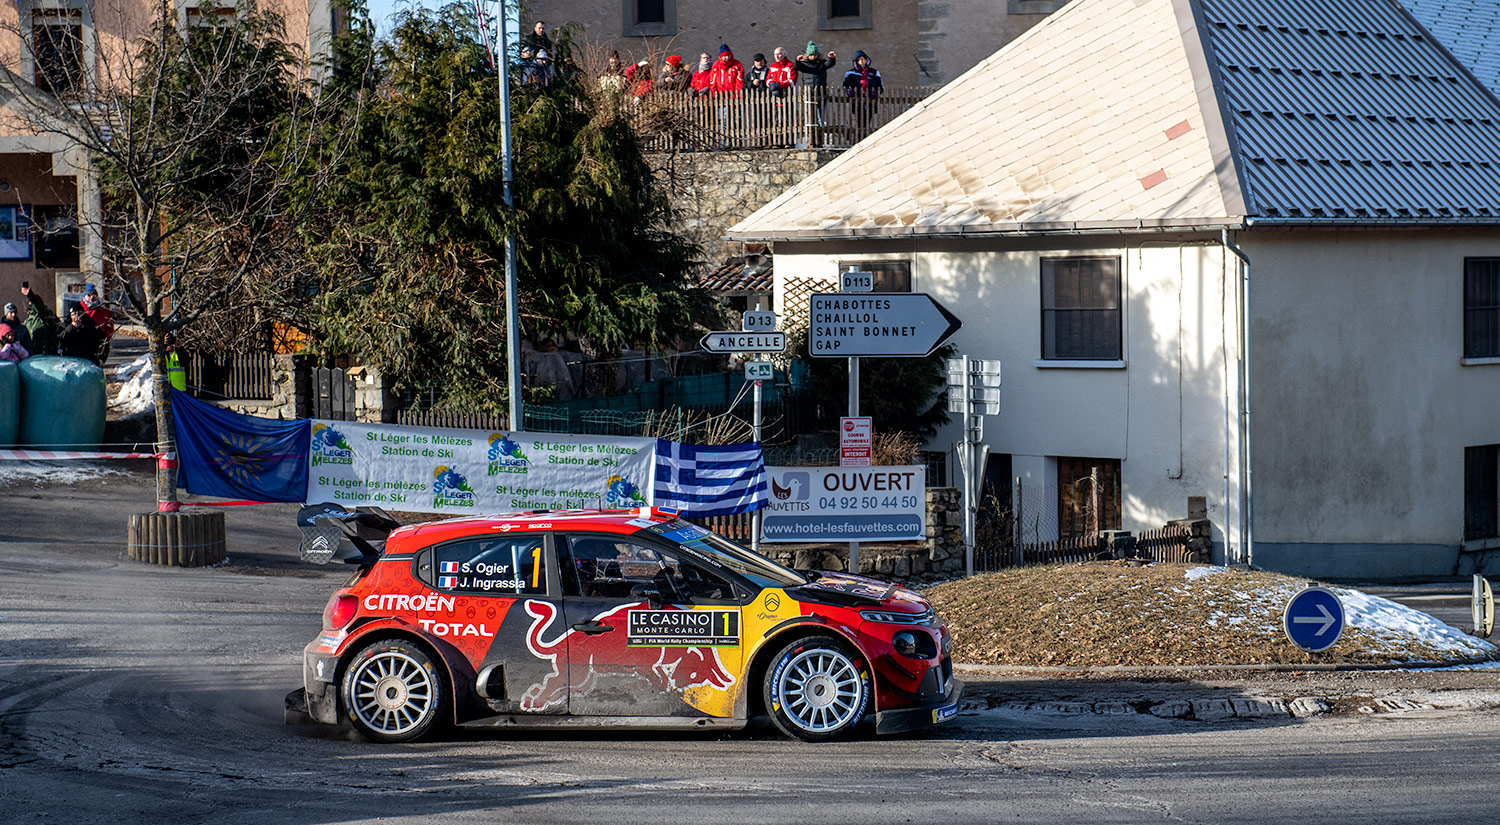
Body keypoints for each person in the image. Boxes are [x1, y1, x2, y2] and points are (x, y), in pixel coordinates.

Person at [842, 50, 883, 130]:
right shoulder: (851, 73)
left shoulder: (874, 72)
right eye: (858, 60)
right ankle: (858, 136)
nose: (861, 61)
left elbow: (880, 85)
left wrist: (876, 92)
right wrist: (848, 90)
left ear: (866, 60)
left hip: (870, 100)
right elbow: (846, 84)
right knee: (859, 120)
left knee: (867, 120)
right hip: (857, 100)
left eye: (862, 59)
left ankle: (865, 135)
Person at [19, 285, 59, 356]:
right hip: (35, 354)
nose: (30, 304)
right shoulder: (28, 321)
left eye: (32, 302)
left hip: (47, 352)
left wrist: (30, 296)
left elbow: (40, 309)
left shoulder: (46, 314)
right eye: (29, 302)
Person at [81, 285, 115, 364]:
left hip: (98, 343)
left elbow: (110, 327)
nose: (91, 297)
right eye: (89, 295)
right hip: (82, 343)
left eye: (94, 295)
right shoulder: (79, 310)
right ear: (84, 296)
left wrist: (105, 338)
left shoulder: (104, 312)